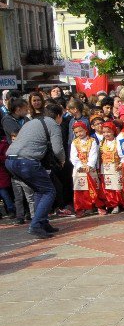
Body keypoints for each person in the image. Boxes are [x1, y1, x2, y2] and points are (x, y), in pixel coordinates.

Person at [5, 101, 66, 238]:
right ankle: (36, 225)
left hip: (10, 160)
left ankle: (42, 223)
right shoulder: (53, 125)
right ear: (58, 116)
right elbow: (57, 149)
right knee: (49, 191)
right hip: (26, 162)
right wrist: (62, 160)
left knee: (40, 190)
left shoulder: (31, 122)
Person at [69, 120, 101, 216]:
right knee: (80, 189)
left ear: (86, 130)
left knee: (93, 187)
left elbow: (93, 154)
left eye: (81, 131)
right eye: (77, 132)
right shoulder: (74, 143)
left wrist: (90, 165)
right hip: (79, 169)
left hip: (90, 168)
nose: (79, 134)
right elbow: (73, 157)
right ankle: (81, 207)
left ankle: (95, 205)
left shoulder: (92, 141)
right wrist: (80, 166)